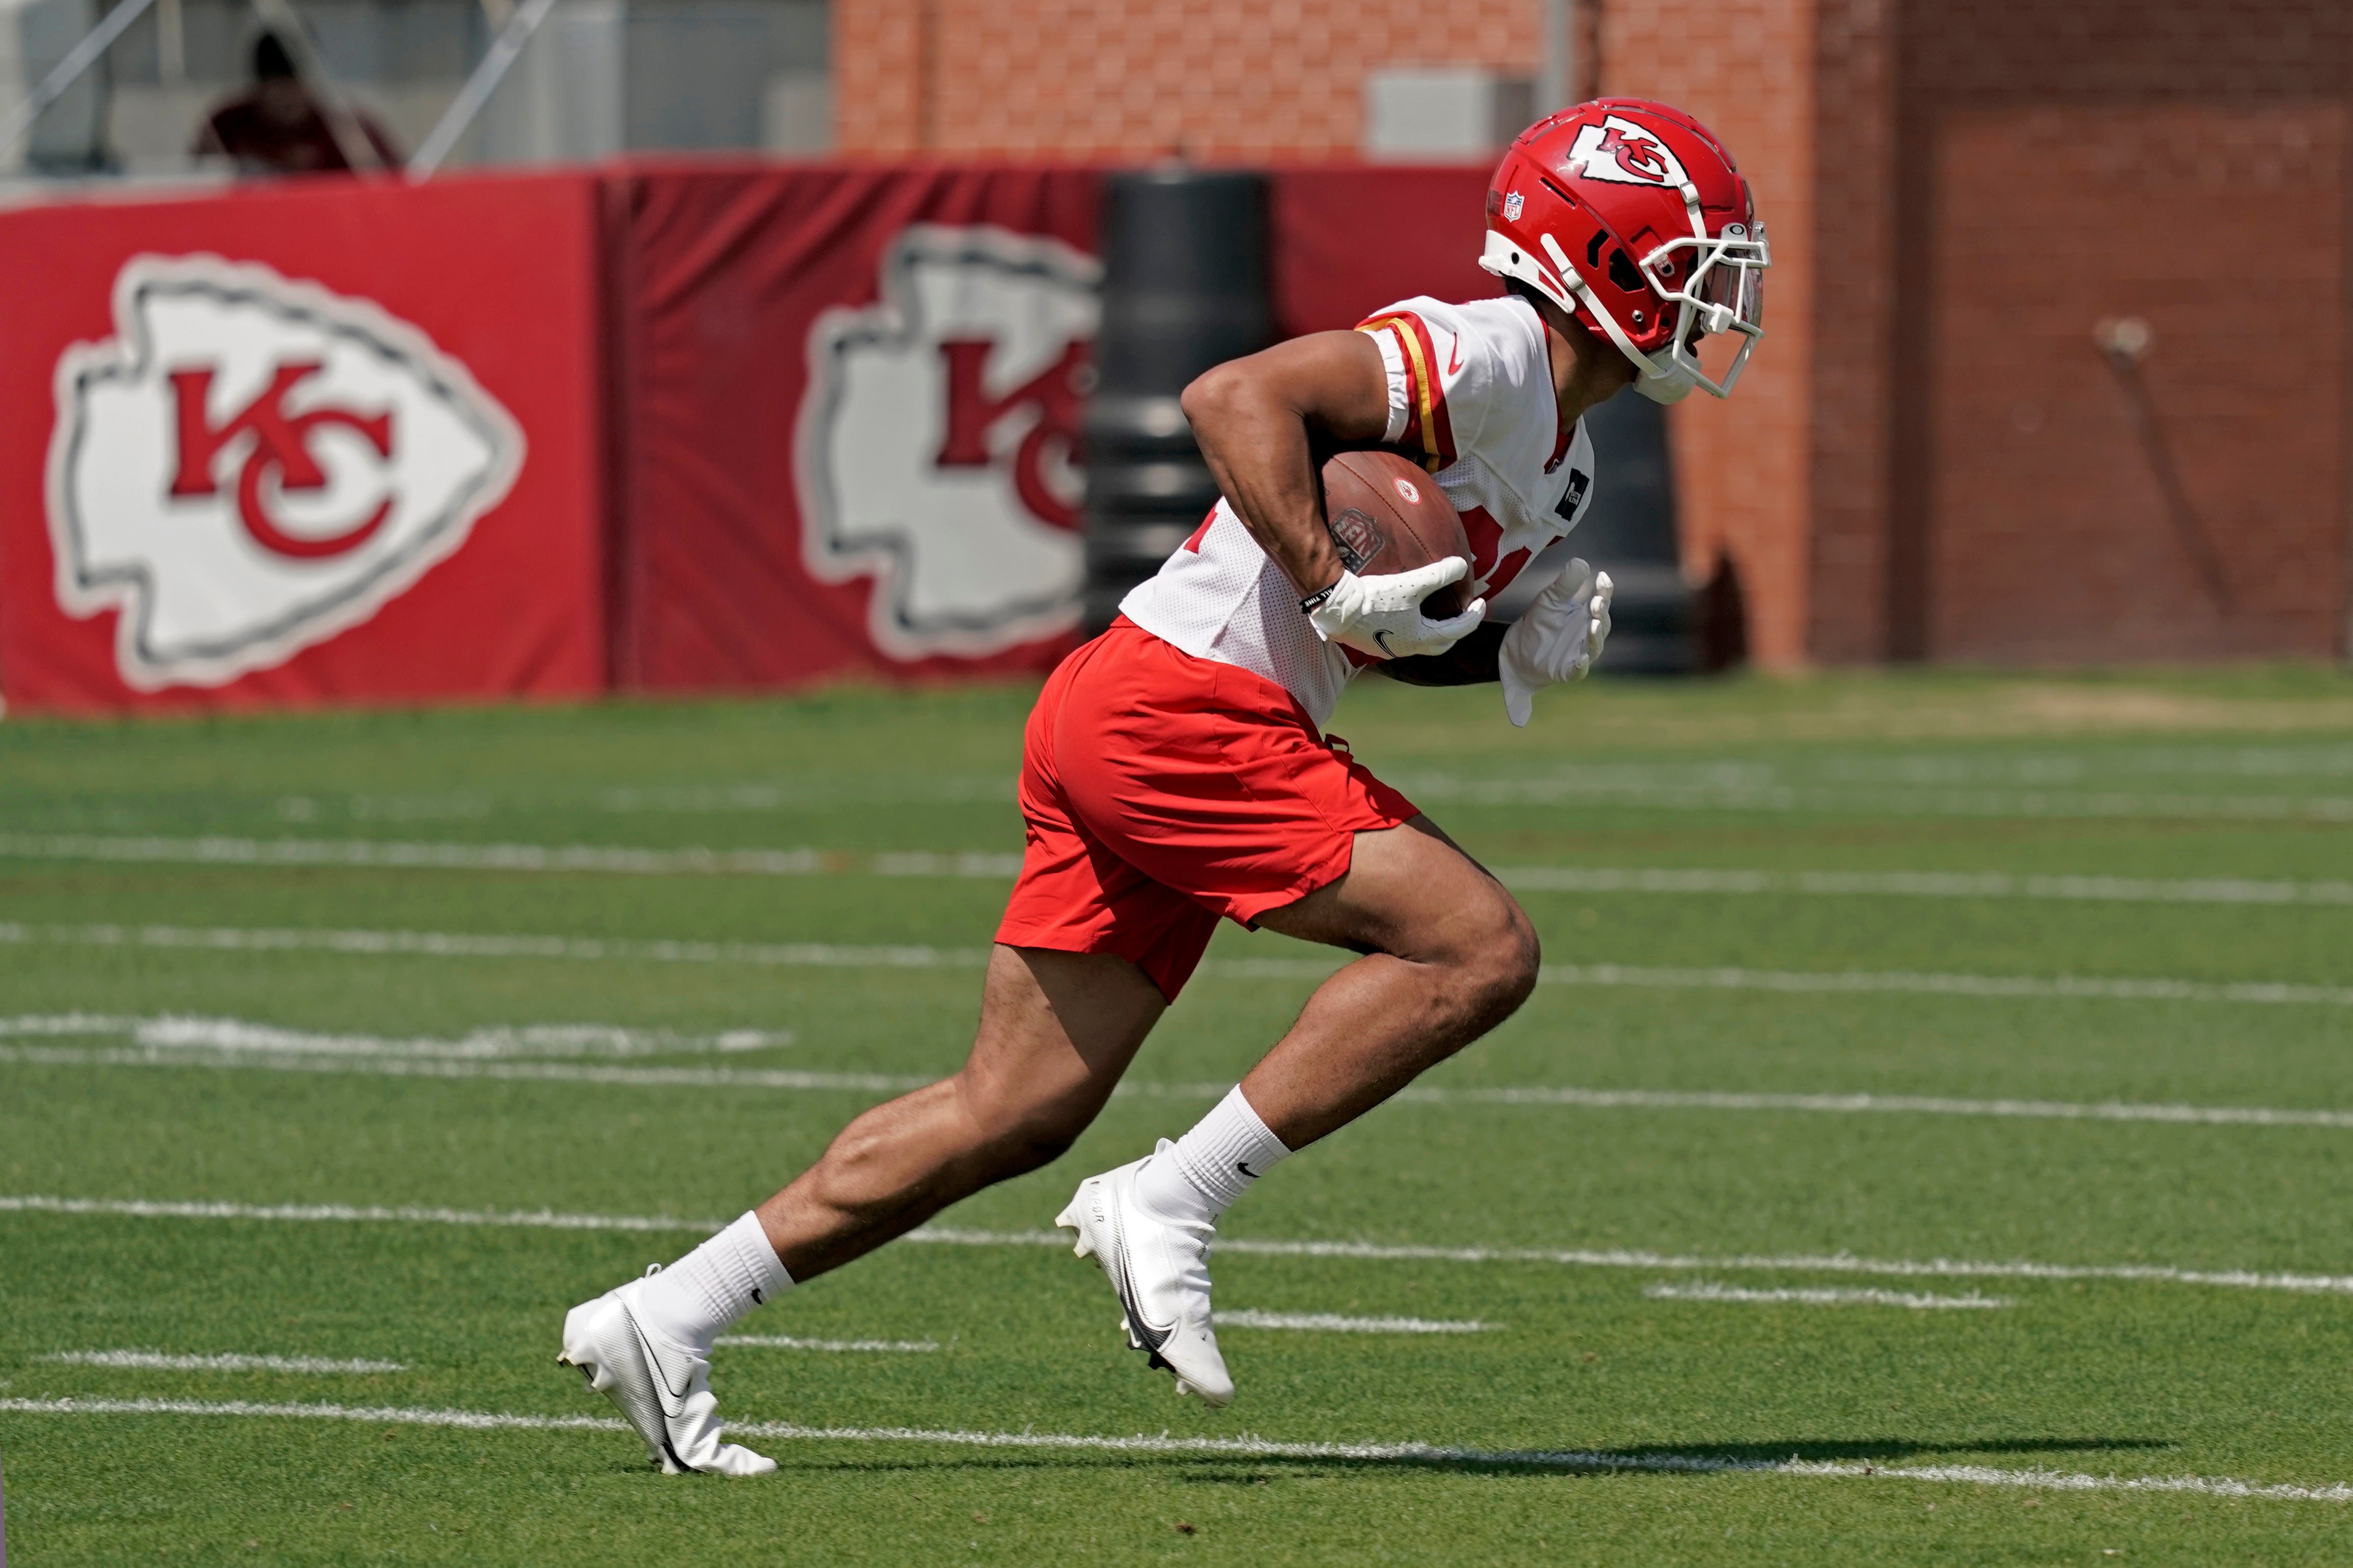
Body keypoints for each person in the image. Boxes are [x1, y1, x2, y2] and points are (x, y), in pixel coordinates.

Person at [558, 98, 1770, 1476]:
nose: (1713, 298)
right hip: (1181, 709)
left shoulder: (1562, 457)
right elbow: (1231, 396)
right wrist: (1329, 573)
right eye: (1692, 260)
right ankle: (1169, 1199)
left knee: (1008, 1107)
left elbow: (1376, 630)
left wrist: (1497, 638)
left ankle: (666, 1313)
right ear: (1596, 256)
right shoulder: (1487, 350)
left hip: (1143, 699)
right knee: (1475, 946)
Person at [192, 32, 400, 176]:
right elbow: (195, 182)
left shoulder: (349, 133)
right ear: (258, 89)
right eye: (278, 89)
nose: (288, 99)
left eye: (296, 87)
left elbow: (394, 191)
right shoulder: (228, 127)